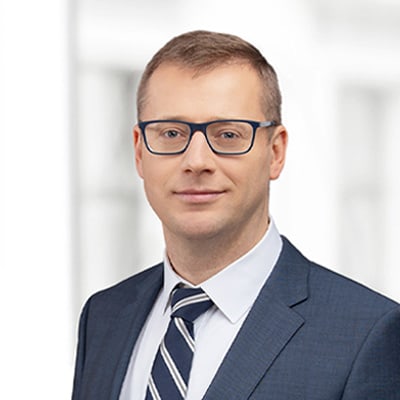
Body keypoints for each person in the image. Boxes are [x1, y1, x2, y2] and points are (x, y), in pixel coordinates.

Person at [72, 30, 400, 400]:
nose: (197, 161)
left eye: (227, 135)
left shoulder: (366, 336)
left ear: (275, 152)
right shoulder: (104, 317)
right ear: (139, 152)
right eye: (171, 133)